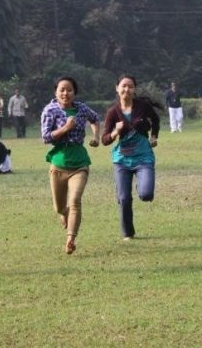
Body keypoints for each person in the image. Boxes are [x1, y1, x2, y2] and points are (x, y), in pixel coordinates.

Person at [41, 76, 100, 255]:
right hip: (58, 164)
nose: (65, 93)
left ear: (74, 92)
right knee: (59, 207)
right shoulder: (50, 110)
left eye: (69, 90)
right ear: (56, 92)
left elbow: (95, 119)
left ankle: (70, 239)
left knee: (74, 201)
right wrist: (65, 128)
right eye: (62, 90)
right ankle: (63, 213)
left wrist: (96, 137)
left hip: (79, 163)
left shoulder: (81, 109)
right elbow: (46, 137)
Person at [102, 74, 161, 241]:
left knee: (146, 194)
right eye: (123, 86)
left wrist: (154, 136)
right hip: (122, 160)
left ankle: (141, 185)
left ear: (134, 90)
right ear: (117, 88)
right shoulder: (113, 112)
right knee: (124, 198)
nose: (126, 89)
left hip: (143, 157)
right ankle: (128, 233)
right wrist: (115, 131)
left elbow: (155, 119)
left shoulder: (142, 107)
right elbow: (105, 140)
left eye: (130, 86)